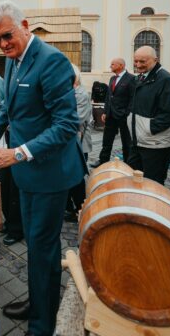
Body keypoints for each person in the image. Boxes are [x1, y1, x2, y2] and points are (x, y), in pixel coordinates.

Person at [0, 1, 83, 336]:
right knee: (35, 247)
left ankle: (42, 325)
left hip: (49, 174)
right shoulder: (15, 61)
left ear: (24, 25)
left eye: (7, 35)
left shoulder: (51, 61)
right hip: (26, 173)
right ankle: (40, 302)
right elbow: (10, 105)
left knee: (44, 248)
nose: (4, 44)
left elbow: (67, 125)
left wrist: (16, 154)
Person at [126, 46, 170, 184]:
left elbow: (169, 113)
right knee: (134, 180)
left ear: (155, 60)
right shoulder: (142, 77)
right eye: (135, 61)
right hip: (139, 141)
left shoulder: (166, 79)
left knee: (152, 184)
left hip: (155, 144)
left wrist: (148, 129)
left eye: (142, 61)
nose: (138, 65)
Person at [0, 58, 22, 245]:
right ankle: (9, 221)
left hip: (22, 147)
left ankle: (17, 228)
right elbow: (5, 108)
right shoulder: (10, 75)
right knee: (5, 184)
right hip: (6, 141)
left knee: (16, 189)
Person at [96, 57, 135, 165]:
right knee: (106, 140)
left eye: (113, 64)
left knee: (126, 142)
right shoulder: (112, 78)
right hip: (111, 115)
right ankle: (103, 161)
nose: (110, 66)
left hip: (123, 116)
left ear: (121, 66)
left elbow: (133, 98)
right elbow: (109, 96)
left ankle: (127, 164)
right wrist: (105, 111)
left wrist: (127, 113)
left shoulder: (131, 79)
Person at [65, 64, 91, 223]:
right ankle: (68, 207)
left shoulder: (81, 94)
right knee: (67, 176)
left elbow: (78, 120)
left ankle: (81, 208)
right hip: (68, 142)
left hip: (79, 143)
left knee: (77, 178)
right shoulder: (68, 92)